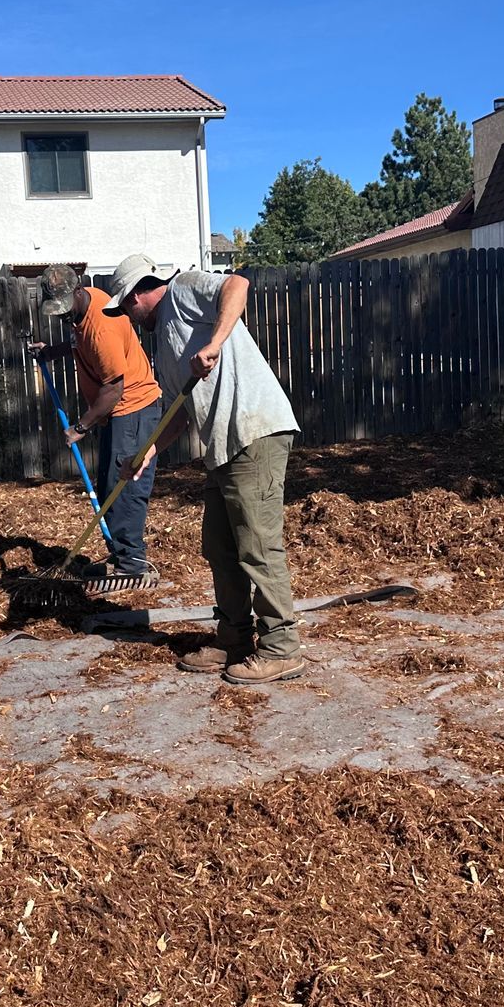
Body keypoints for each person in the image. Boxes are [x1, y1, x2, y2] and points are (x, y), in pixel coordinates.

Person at [106, 253, 304, 686]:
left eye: (126, 306)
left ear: (141, 292)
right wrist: (146, 453)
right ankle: (234, 637)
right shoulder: (162, 342)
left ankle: (281, 648)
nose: (127, 316)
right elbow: (180, 410)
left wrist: (214, 343)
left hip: (254, 431)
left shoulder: (184, 289)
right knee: (220, 546)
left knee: (257, 545)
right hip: (222, 445)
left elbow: (237, 285)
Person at [28, 263, 161, 582]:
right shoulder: (86, 306)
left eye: (63, 309)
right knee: (109, 486)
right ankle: (120, 555)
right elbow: (80, 343)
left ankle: (132, 566)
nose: (61, 316)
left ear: (77, 291)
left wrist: (80, 427)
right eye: (55, 311)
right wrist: (53, 351)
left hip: (132, 408)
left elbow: (113, 390)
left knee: (124, 488)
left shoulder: (102, 324)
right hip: (120, 413)